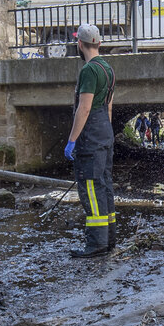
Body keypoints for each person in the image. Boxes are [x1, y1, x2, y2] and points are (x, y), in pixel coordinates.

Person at [64, 24, 116, 258]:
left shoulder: (89, 70)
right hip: (104, 131)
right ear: (99, 43)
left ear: (79, 44)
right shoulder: (108, 69)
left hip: (91, 135)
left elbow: (84, 108)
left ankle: (96, 243)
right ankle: (109, 238)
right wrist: (107, 132)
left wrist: (72, 140)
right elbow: (109, 107)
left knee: (92, 187)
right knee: (104, 184)